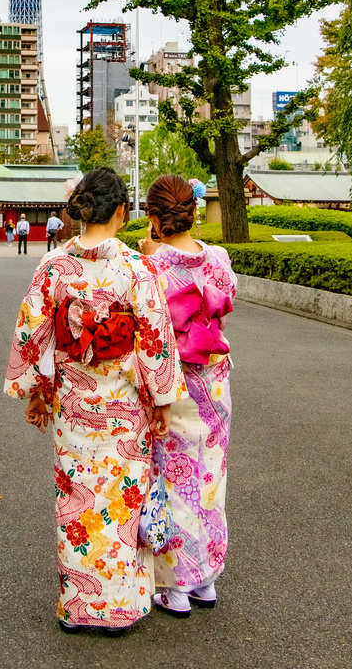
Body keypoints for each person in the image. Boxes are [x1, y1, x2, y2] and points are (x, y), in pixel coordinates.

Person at [5, 167, 186, 635]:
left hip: (73, 407)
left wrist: (35, 392)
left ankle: (77, 607)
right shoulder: (137, 270)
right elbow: (154, 343)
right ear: (122, 212)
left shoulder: (54, 268)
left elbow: (33, 335)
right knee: (121, 507)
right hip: (125, 411)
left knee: (76, 506)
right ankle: (118, 610)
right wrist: (163, 403)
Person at [139, 175, 236, 618]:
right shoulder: (218, 258)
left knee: (173, 480)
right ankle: (207, 579)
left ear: (156, 219)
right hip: (214, 384)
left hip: (173, 384)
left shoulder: (153, 267)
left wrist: (150, 254)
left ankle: (176, 586)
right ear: (194, 212)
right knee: (209, 479)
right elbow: (228, 297)